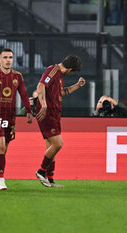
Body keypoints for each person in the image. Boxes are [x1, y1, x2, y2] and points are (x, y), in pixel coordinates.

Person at [35, 54, 85, 187]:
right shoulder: (52, 70)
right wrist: (44, 104)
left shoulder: (59, 77)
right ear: (69, 70)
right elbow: (40, 86)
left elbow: (62, 93)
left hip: (55, 113)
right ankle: (41, 171)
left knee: (51, 147)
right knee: (58, 144)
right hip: (47, 113)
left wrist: (77, 85)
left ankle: (50, 179)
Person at [0, 48, 33, 190]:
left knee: (4, 149)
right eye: (5, 57)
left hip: (10, 117)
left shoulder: (17, 76)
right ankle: (0, 179)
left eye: (10, 57)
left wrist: (28, 110)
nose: (8, 60)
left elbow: (24, 94)